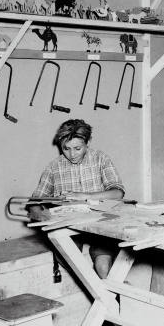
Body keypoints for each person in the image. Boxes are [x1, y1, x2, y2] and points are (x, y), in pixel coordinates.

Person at [29, 119, 126, 278]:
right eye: (66, 148)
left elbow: (118, 193)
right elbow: (34, 200)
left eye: (77, 148)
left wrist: (86, 196)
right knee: (75, 265)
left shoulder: (101, 158)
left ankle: (112, 297)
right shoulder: (54, 166)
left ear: (87, 143)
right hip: (69, 226)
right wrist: (40, 214)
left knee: (103, 267)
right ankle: (101, 292)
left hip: (99, 223)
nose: (72, 154)